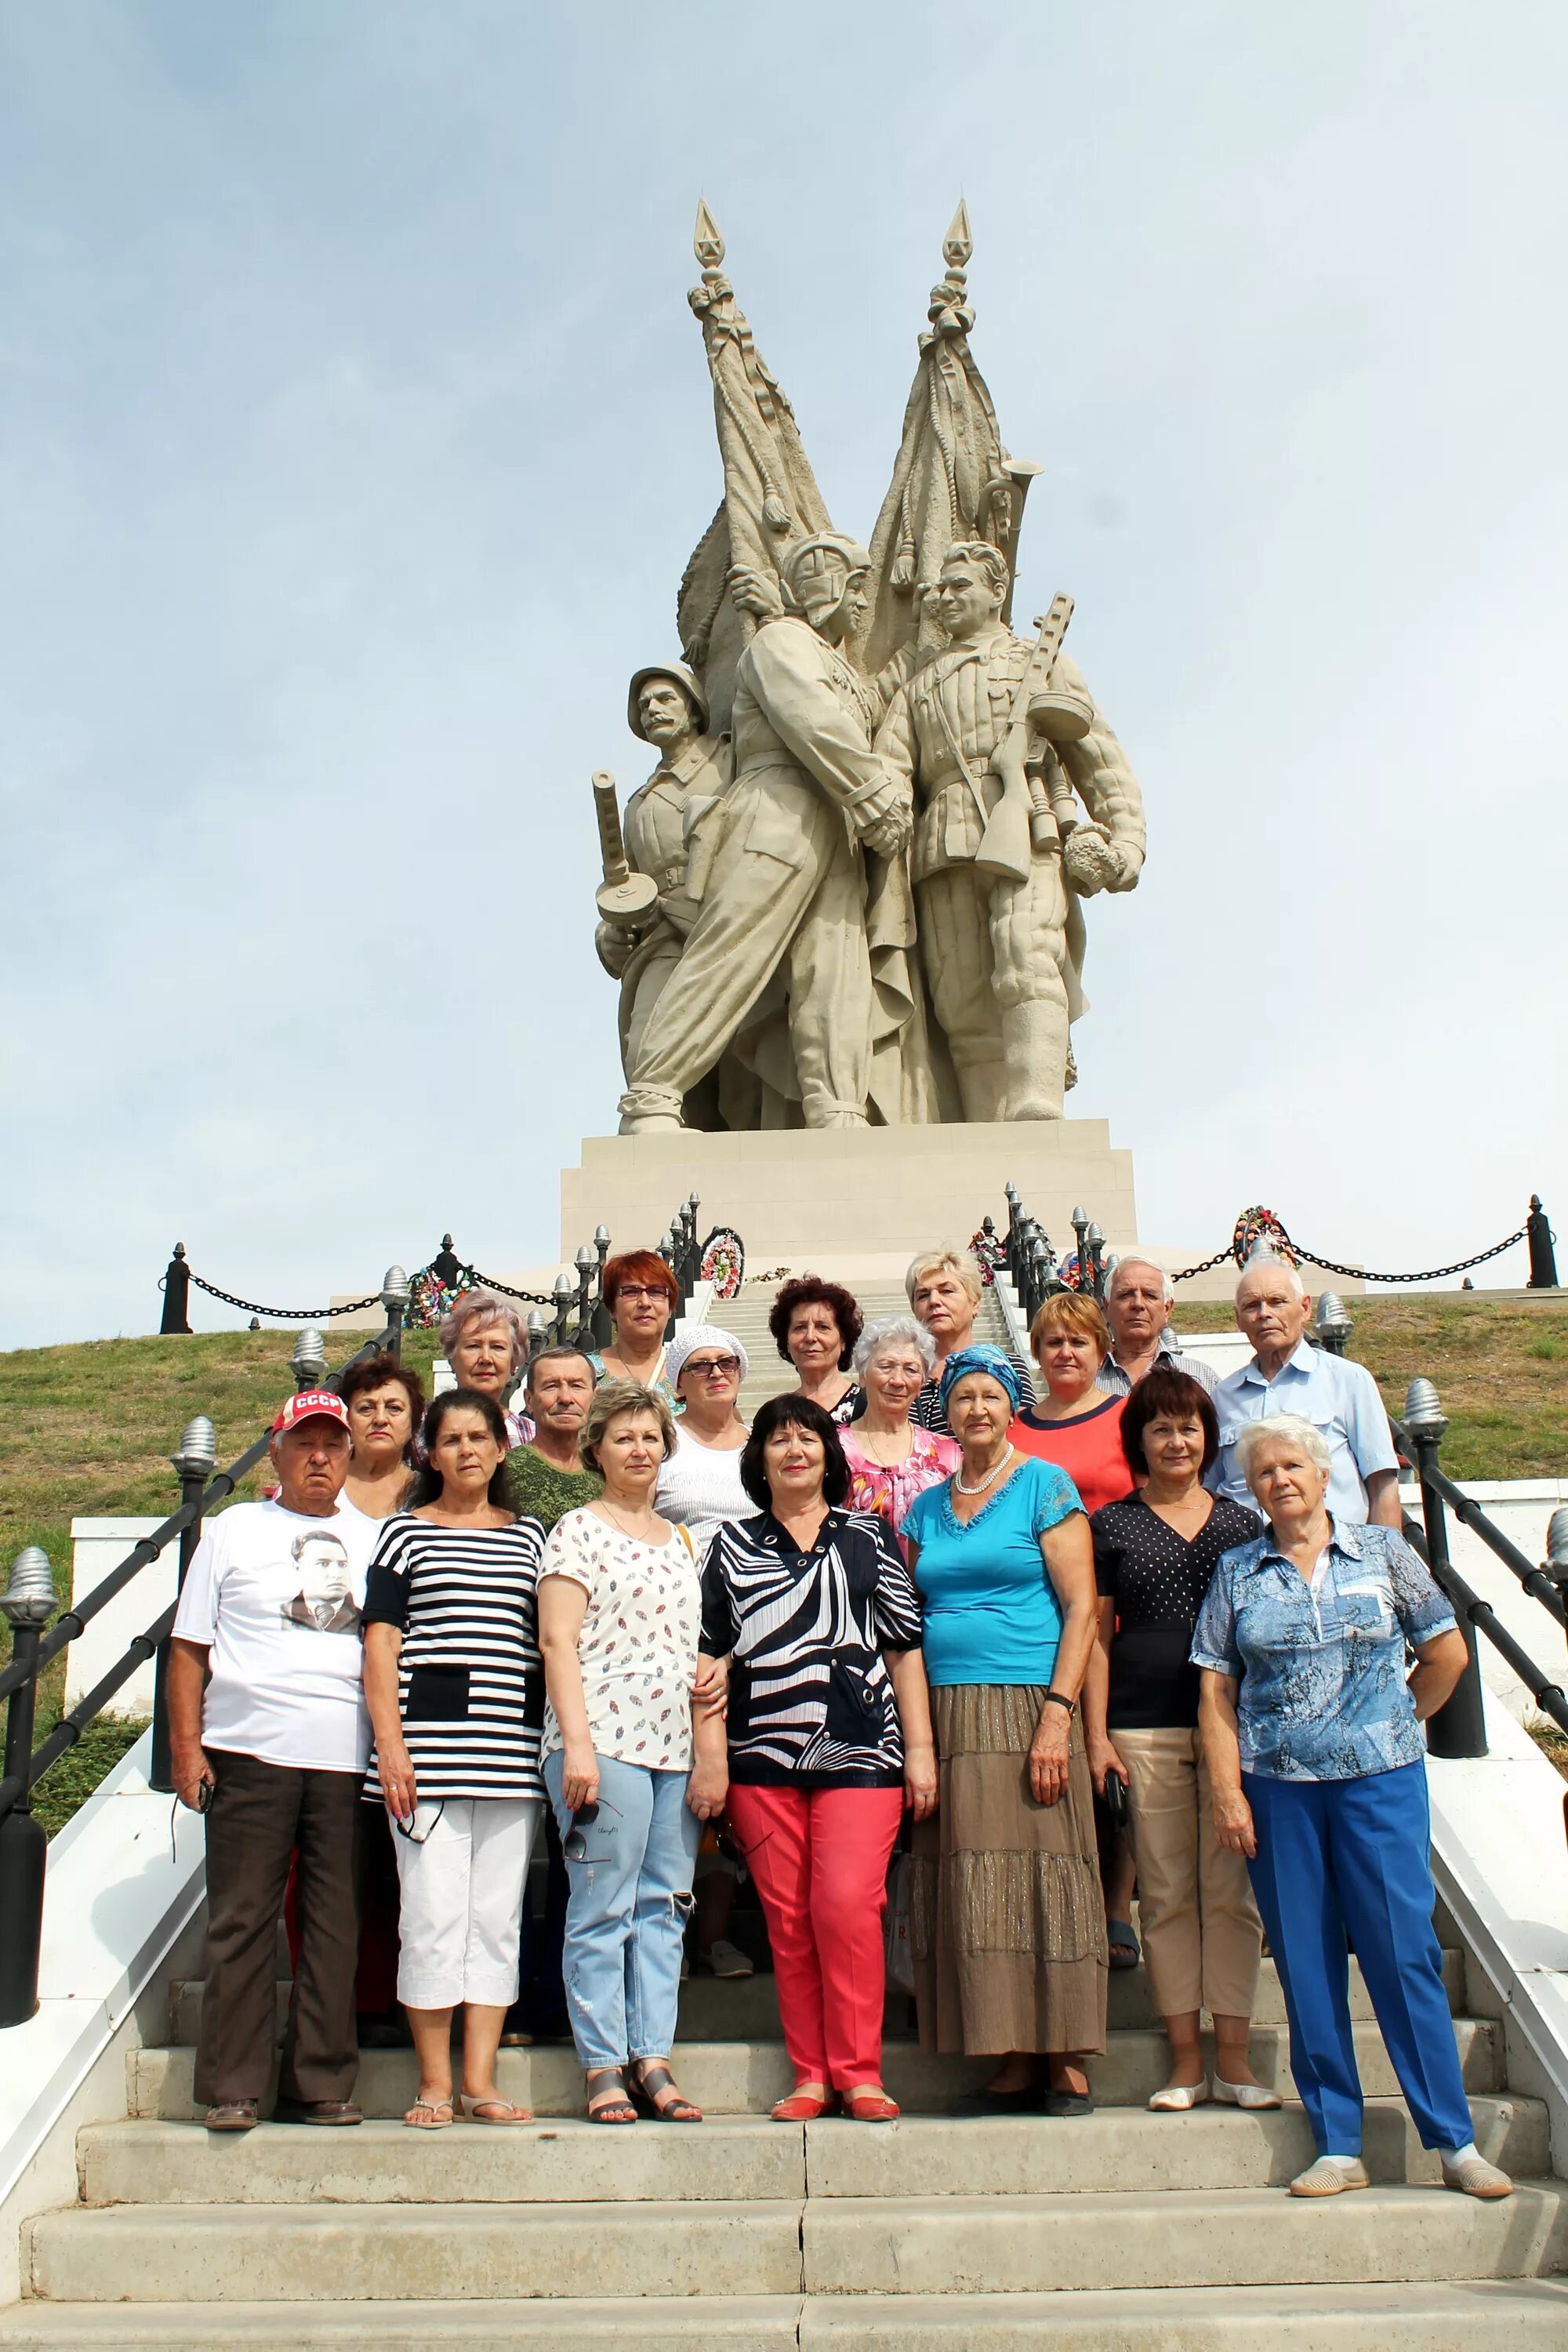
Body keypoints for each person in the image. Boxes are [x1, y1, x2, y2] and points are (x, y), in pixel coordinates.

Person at [1193, 1414, 1512, 2201]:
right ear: (1252, 1487)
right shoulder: (1237, 1571)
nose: (1281, 1480)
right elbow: (1214, 1690)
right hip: (1278, 1790)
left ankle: (1452, 2140)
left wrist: (1397, 1720)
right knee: (1304, 1963)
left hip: (1378, 1785)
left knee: (1400, 1956)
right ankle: (1335, 2140)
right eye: (1264, 1471)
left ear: (1321, 1470)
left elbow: (1444, 1653)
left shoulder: (1382, 1551)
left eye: (1292, 1465)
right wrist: (1228, 1791)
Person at [617, 533, 913, 1134]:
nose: (862, 604)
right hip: (778, 805)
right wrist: (872, 790)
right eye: (855, 587)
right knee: (732, 950)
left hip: (836, 820)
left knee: (834, 969)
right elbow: (811, 718)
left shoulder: (840, 667)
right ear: (829, 588)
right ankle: (653, 1095)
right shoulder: (783, 642)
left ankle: (837, 1106)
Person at [696, 1396, 933, 2122]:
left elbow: (902, 1647)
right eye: (777, 1440)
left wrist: (920, 1751)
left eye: (808, 1437)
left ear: (830, 1456)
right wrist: (712, 1758)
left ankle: (860, 2071)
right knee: (789, 1922)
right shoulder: (729, 1546)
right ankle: (811, 2074)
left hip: (862, 1750)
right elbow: (710, 1659)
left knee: (846, 1907)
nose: (794, 1450)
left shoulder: (869, 1537)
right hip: (761, 1758)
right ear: (758, 1459)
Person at [901, 1346, 1107, 2114]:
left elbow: (1082, 1607)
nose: (976, 1409)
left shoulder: (1043, 1487)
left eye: (989, 1396)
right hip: (950, 1711)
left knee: (1045, 1871)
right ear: (946, 1414)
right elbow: (912, 1615)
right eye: (962, 1399)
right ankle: (1006, 2050)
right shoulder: (924, 1505)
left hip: (1028, 1702)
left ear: (1009, 1405)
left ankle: (1063, 2051)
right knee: (974, 1881)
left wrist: (1059, 1716)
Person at [167, 1388, 379, 2132]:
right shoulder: (231, 1531)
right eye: (304, 1443)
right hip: (247, 1749)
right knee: (243, 1920)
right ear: (277, 1449)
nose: (319, 1457)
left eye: (332, 1444)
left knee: (333, 1925)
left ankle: (319, 2081)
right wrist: (186, 1750)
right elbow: (190, 1646)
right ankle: (235, 2085)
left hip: (343, 1757)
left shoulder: (378, 1538)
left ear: (350, 1455)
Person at [875, 539, 1145, 1121]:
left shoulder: (1038, 663)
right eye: (939, 590)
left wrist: (1126, 841)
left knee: (1028, 956)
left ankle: (1037, 1109)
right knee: (963, 1002)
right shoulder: (917, 688)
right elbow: (892, 770)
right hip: (942, 845)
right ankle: (989, 1136)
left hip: (1030, 829)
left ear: (997, 592)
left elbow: (1098, 760)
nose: (944, 599)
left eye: (960, 586)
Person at [361, 1390, 546, 2129]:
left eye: (480, 1436)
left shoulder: (531, 1535)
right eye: (451, 1438)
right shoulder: (403, 1534)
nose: (467, 1449)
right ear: (429, 1453)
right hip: (426, 1760)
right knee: (433, 1916)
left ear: (503, 1448)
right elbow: (380, 1644)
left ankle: (481, 2080)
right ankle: (434, 2082)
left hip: (509, 1759)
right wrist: (391, 1745)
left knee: (496, 1921)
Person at [1087, 1367, 1271, 2110]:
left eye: (1189, 1428)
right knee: (1163, 1894)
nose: (1176, 1440)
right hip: (1143, 1724)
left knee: (1231, 1895)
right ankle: (1185, 2061)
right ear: (1139, 1440)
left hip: (1232, 1728)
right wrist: (1095, 1731)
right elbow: (1096, 1637)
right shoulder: (1113, 1526)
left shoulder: (1240, 1524)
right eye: (1160, 1428)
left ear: (1208, 1439)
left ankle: (1236, 2057)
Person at [537, 1381, 720, 2124]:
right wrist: (576, 1745)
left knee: (664, 1905)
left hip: (672, 1745)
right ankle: (604, 2064)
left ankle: (654, 2057)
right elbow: (557, 1641)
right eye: (624, 1439)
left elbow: (692, 1646)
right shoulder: (576, 1529)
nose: (640, 1450)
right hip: (601, 1741)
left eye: (651, 1438)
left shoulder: (680, 1538)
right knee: (602, 1905)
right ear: (597, 1451)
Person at [655, 1323, 756, 1981]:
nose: (716, 1373)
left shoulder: (767, 1441)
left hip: (760, 1630)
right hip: (676, 1631)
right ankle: (670, 1933)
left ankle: (717, 1933)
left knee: (739, 1788)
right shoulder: (666, 1447)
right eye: (700, 1366)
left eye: (726, 1362)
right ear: (678, 1382)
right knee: (687, 1782)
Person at [594, 662, 738, 1118]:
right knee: (647, 1041)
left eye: (664, 699)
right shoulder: (638, 803)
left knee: (741, 1055)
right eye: (643, 705)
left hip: (727, 916)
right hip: (664, 931)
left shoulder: (728, 760)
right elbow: (628, 886)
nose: (652, 709)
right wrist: (612, 935)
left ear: (694, 710)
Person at [1210, 1258, 1400, 1528]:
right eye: (1252, 1306)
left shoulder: (1347, 1380)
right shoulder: (1223, 1396)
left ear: (1305, 1308)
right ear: (1238, 1319)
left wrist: (1384, 1560)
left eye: (1277, 1301)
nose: (1264, 1314)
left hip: (1337, 1554)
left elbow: (1382, 1483)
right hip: (1248, 1558)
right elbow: (1210, 1489)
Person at [838, 1314, 960, 1556]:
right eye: (885, 1367)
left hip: (926, 1589)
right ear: (863, 1374)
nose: (897, 1380)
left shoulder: (946, 1451)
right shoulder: (832, 1447)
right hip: (852, 1588)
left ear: (922, 1382)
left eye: (910, 1369)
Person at [1011, 1292, 1132, 1516]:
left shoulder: (1129, 1417)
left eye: (1078, 1342)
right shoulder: (1013, 1430)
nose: (1066, 1353)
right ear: (1038, 1353)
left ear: (1101, 1354)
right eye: (1055, 1343)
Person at [906, 1247, 1034, 1432]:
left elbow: (1024, 1435)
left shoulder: (1007, 1365)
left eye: (947, 1291)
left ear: (975, 1302)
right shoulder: (905, 1376)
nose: (934, 1301)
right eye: (923, 1295)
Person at [507, 1346, 604, 1532]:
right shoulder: (504, 1472)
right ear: (529, 1400)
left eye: (577, 1386)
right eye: (551, 1386)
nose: (566, 1398)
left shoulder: (608, 1472)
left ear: (595, 1397)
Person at [1095, 1258, 1218, 1399]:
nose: (1138, 1304)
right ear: (1107, 1307)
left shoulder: (1202, 1380)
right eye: (1125, 1295)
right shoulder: (1086, 1380)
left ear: (1167, 1309)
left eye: (1150, 1295)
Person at [438, 1290, 535, 1448]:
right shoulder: (420, 1429)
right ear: (452, 1359)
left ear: (513, 1362)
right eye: (473, 1346)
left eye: (497, 1347)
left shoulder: (532, 1436)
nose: (486, 1358)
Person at [339, 1354, 426, 1520]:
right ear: (347, 1418)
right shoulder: (323, 1485)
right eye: (366, 1408)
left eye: (394, 1408)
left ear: (413, 1421)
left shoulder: (431, 1493)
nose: (380, 1419)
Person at [771, 1274, 864, 1425]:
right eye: (800, 1327)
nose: (810, 1337)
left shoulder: (870, 1407)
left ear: (843, 1341)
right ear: (786, 1342)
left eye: (822, 1327)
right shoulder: (775, 1414)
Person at [593, 1249, 681, 1396]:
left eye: (656, 1291)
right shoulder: (584, 1372)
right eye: (630, 1292)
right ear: (612, 1309)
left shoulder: (691, 1372)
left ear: (670, 1307)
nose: (645, 1303)